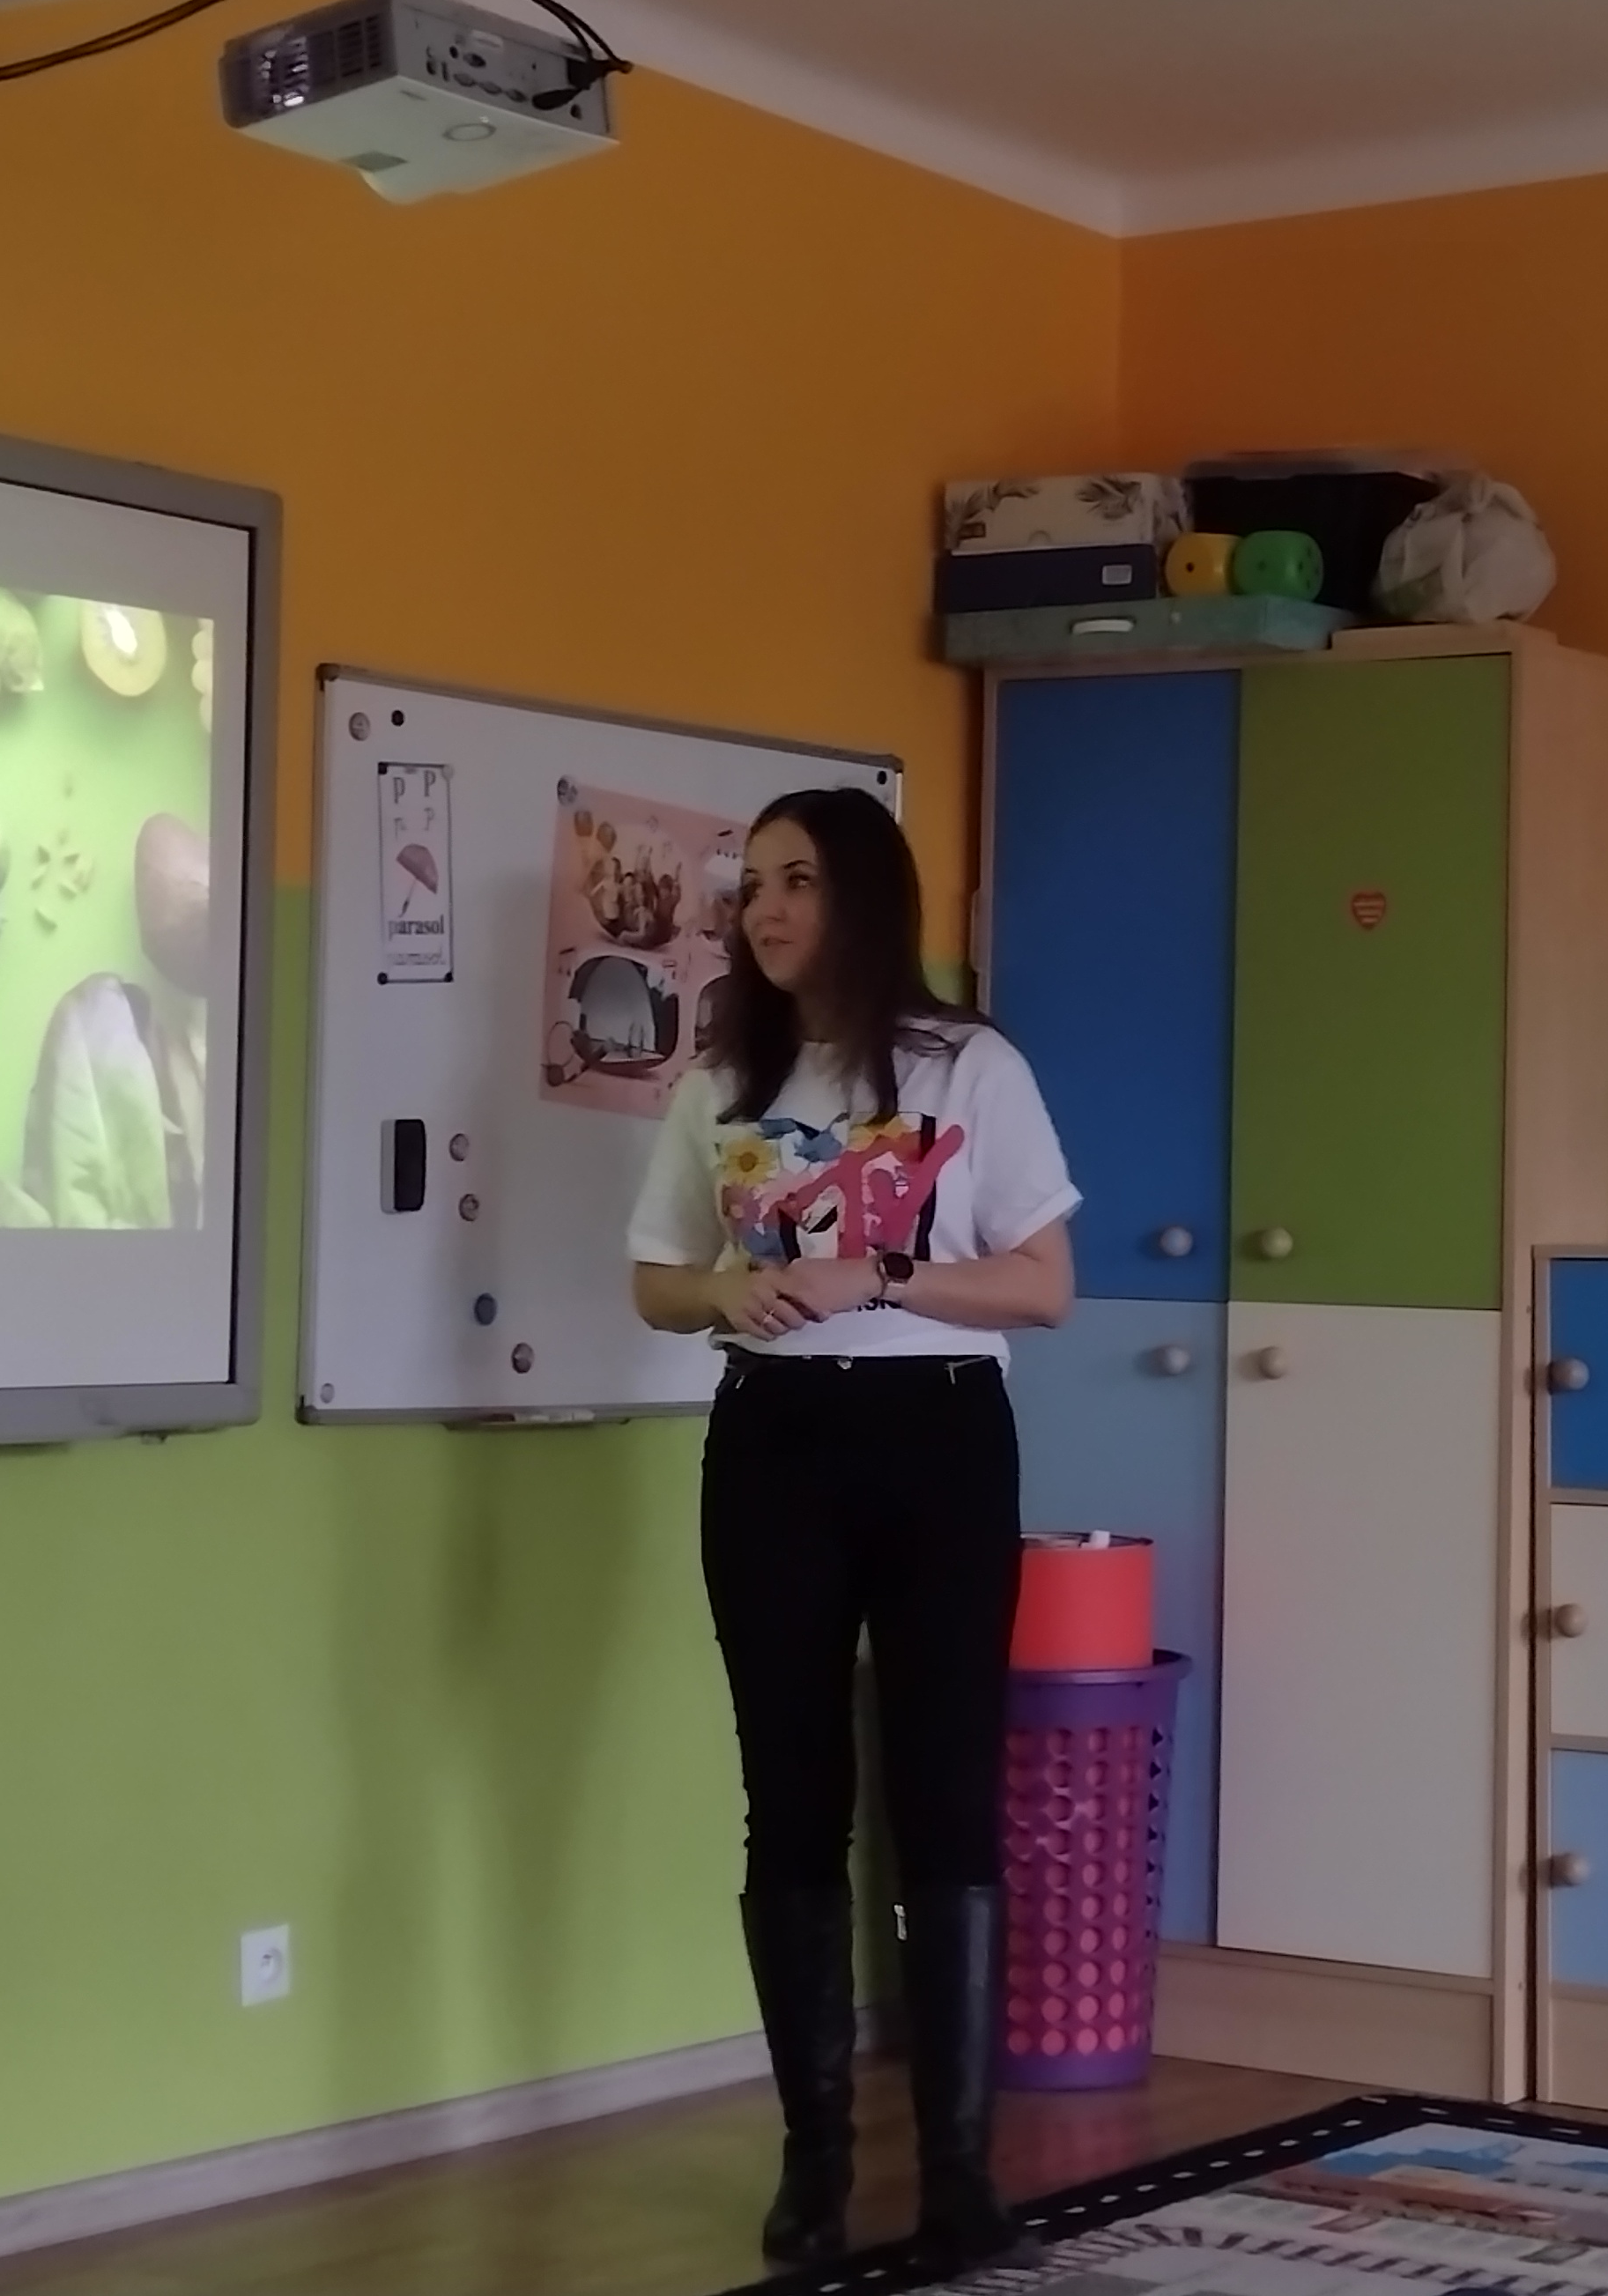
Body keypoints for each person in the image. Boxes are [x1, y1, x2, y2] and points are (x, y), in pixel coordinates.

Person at [629, 786, 1075, 2276]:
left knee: (946, 1793)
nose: (765, 909)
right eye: (752, 884)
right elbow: (655, 1278)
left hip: (940, 1433)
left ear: (865, 897)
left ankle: (958, 2173)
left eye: (799, 880)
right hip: (774, 1442)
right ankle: (814, 2161)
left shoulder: (970, 1064)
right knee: (793, 1795)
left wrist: (878, 1276)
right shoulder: (722, 1078)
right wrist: (722, 1291)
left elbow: (1044, 1284)